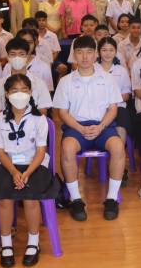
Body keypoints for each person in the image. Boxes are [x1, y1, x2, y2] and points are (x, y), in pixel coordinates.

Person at [0, 74, 59, 267]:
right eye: (14, 91)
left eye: (24, 90)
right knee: (4, 198)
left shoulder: (39, 119)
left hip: (34, 165)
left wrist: (26, 173)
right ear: (6, 94)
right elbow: (0, 152)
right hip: (8, 165)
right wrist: (13, 172)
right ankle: (6, 244)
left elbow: (41, 151)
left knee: (30, 198)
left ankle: (33, 243)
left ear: (31, 92)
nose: (19, 94)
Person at [54, 36, 125, 222]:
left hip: (103, 126)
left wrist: (101, 127)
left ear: (95, 55)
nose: (84, 57)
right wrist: (80, 128)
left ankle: (111, 199)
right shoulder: (66, 81)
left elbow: (113, 109)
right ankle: (76, 199)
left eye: (89, 52)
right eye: (80, 52)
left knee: (118, 147)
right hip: (76, 127)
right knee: (67, 148)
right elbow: (62, 112)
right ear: (74, 55)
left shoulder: (107, 79)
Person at [0, 38, 53, 118]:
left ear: (27, 56)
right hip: (6, 124)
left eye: (21, 54)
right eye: (13, 54)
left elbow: (42, 113)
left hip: (33, 124)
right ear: (7, 57)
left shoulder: (39, 83)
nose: (17, 57)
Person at [96, 37, 132, 146]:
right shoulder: (93, 69)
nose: (108, 53)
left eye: (111, 50)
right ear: (99, 52)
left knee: (121, 123)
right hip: (97, 107)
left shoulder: (121, 70)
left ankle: (119, 150)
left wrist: (112, 102)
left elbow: (126, 95)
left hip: (118, 106)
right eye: (104, 50)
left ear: (116, 52)